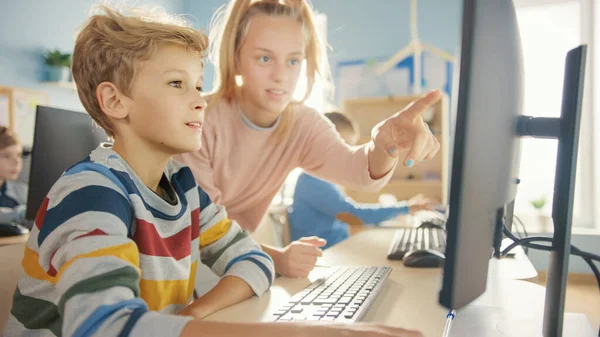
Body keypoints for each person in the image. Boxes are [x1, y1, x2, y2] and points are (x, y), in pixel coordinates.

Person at [3, 5, 423, 337]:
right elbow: (105, 326)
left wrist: (194, 313)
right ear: (115, 102)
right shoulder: (88, 193)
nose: (200, 100)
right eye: (176, 84)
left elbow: (253, 259)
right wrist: (301, 332)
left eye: (198, 85)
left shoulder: (185, 193)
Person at [175, 0, 442, 278]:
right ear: (235, 57)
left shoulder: (302, 123)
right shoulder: (199, 119)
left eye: (293, 61)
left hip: (237, 267)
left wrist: (384, 144)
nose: (281, 76)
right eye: (264, 58)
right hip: (182, 270)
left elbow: (358, 171)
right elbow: (205, 230)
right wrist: (276, 258)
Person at [288, 112, 437, 249]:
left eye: (350, 146)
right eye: (342, 144)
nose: (346, 152)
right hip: (326, 256)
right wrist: (407, 207)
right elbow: (354, 216)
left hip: (338, 250)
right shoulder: (312, 181)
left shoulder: (324, 178)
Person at [0, 126, 28, 225]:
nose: (16, 162)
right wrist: (22, 214)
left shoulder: (22, 191)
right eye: (7, 156)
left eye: (19, 155)